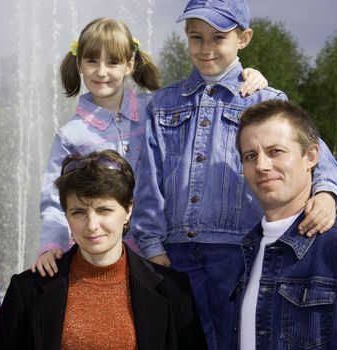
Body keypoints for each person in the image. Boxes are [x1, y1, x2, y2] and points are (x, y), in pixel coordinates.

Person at [129, 1, 337, 349]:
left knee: (238, 338)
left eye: (218, 37)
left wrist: (326, 194)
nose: (206, 48)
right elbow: (147, 181)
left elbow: (318, 158)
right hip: (175, 252)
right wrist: (152, 244)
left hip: (239, 251)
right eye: (196, 37)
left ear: (243, 38)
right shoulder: (163, 104)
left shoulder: (263, 98)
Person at [34, 17, 268, 277]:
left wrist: (246, 75)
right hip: (97, 251)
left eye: (112, 62)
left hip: (155, 250)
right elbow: (54, 200)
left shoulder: (157, 107)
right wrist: (51, 245)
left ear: (129, 65)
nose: (101, 71)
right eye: (92, 61)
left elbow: (205, 107)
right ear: (79, 64)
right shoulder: (71, 134)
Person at [0, 150, 208, 349]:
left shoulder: (172, 290)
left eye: (103, 210)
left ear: (127, 210)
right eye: (78, 212)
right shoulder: (26, 290)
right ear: (66, 215)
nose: (92, 225)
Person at [232, 99, 337, 349]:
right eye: (250, 156)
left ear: (311, 156)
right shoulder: (247, 248)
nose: (261, 165)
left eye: (275, 151)